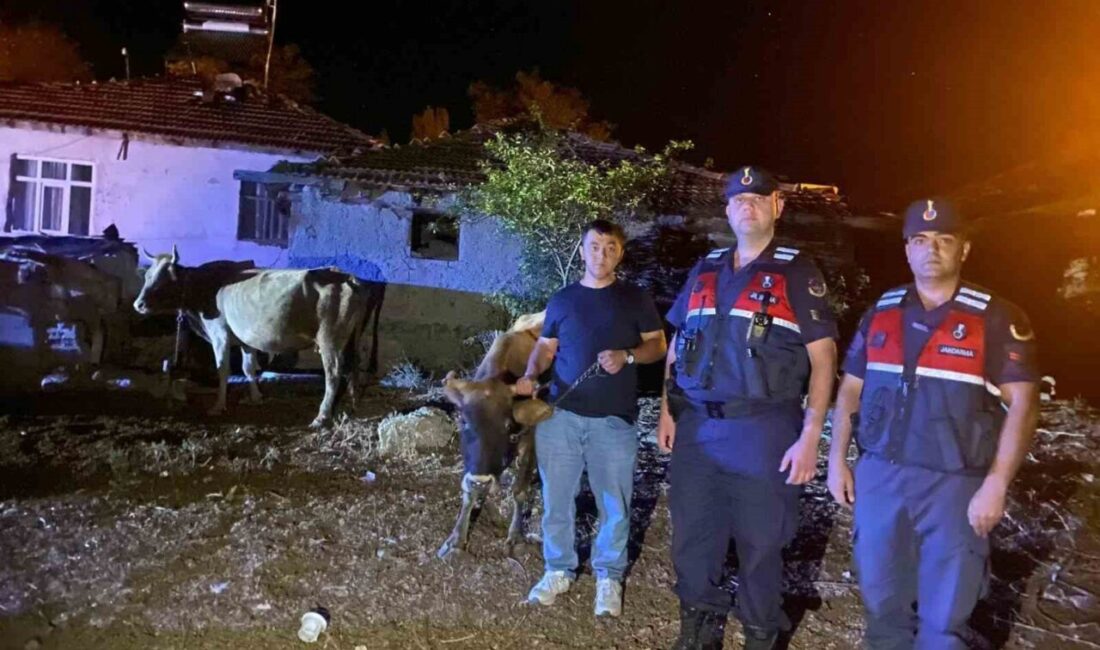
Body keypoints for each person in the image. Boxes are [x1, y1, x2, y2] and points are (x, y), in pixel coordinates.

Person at [827, 198, 1039, 649]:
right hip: (881, 476)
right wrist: (836, 459)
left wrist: (997, 484)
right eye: (920, 240)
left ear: (964, 250)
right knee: (882, 604)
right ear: (907, 249)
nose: (932, 250)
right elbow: (850, 388)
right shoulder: (881, 312)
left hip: (955, 484)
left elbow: (1022, 403)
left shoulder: (996, 318)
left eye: (945, 240)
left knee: (945, 618)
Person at [658, 166, 838, 649]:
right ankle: (698, 634)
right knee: (693, 541)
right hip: (697, 430)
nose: (747, 205)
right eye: (739, 199)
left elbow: (824, 360)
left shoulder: (797, 271)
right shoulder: (707, 267)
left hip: (764, 430)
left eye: (759, 198)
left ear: (777, 206)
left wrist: (810, 436)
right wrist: (666, 410)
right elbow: (678, 343)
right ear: (727, 209)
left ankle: (760, 636)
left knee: (762, 546)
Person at [514, 218, 667, 617]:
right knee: (556, 499)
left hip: (614, 421)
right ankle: (558, 569)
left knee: (613, 503)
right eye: (595, 246)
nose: (602, 254)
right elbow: (546, 346)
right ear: (582, 251)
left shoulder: (635, 299)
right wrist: (531, 374)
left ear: (621, 253)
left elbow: (658, 346)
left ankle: (608, 578)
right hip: (560, 416)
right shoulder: (563, 299)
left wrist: (628, 356)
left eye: (610, 247)